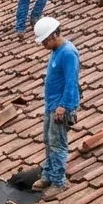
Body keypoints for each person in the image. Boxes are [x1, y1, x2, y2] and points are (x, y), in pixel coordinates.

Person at [31, 16, 80, 194]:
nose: (43, 44)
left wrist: (64, 106)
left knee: (58, 144)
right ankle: (48, 175)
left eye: (44, 41)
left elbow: (71, 82)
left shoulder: (68, 53)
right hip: (52, 105)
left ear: (53, 35)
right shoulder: (56, 51)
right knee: (48, 141)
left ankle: (58, 182)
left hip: (61, 107)